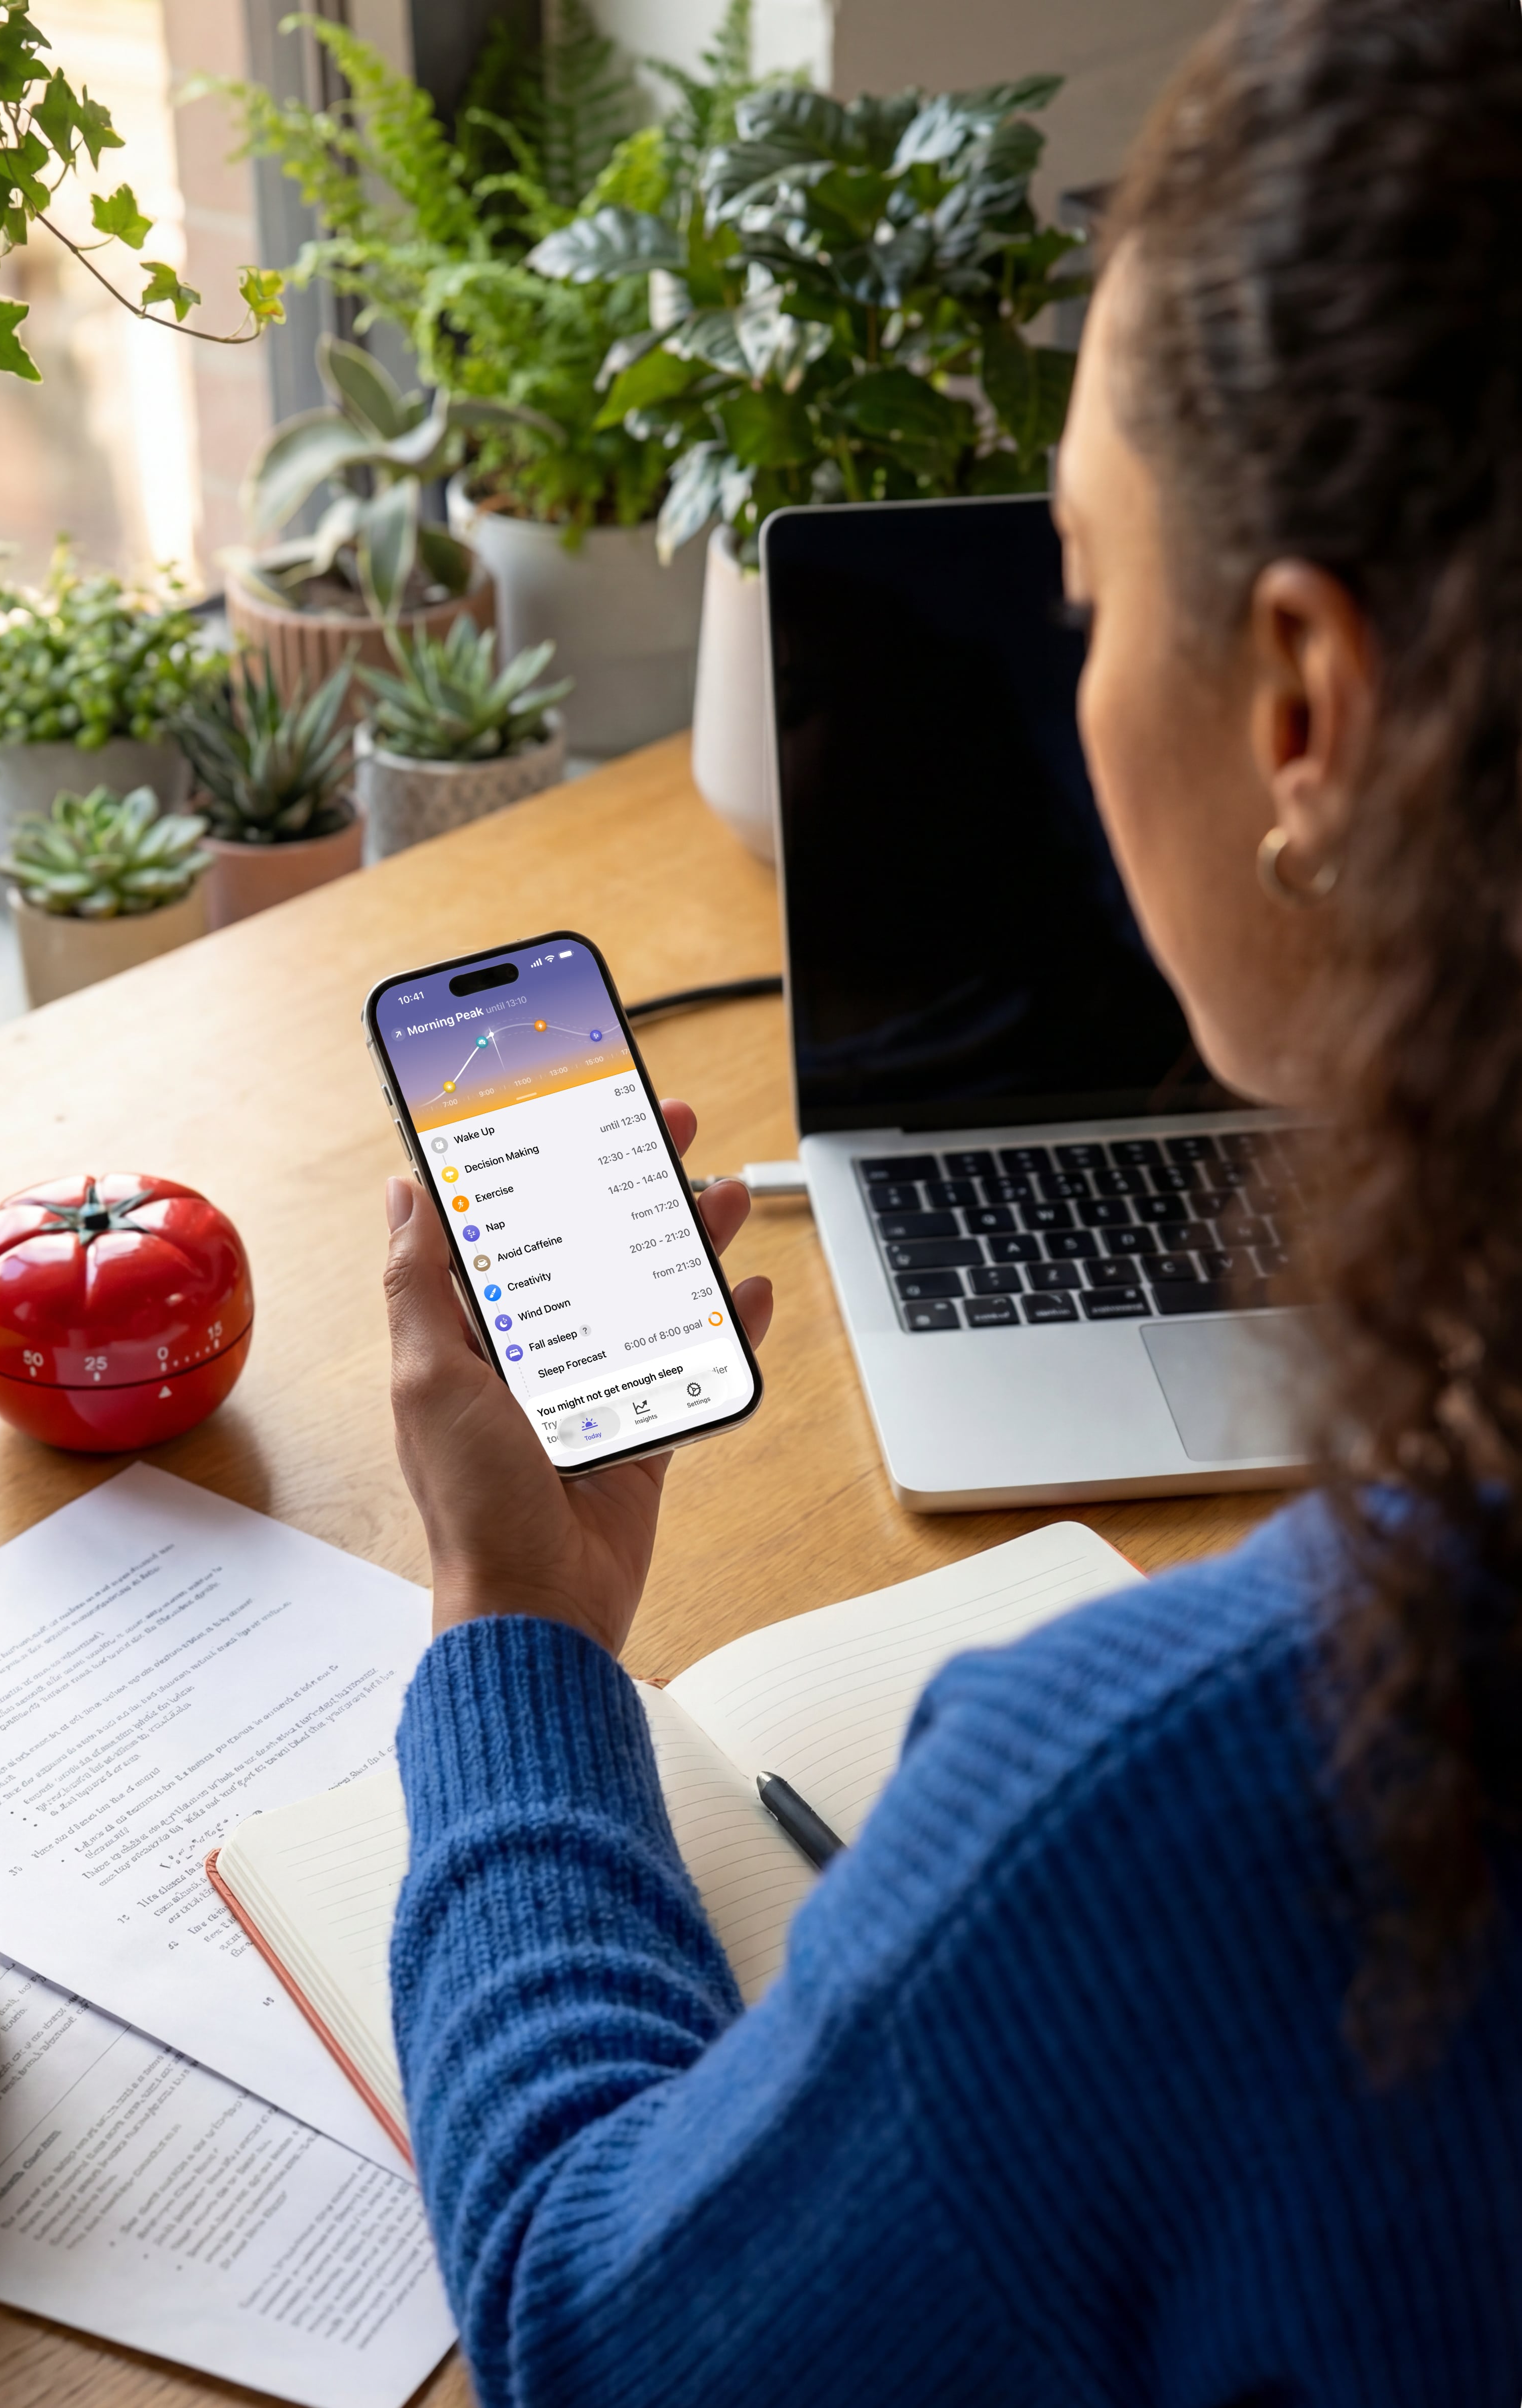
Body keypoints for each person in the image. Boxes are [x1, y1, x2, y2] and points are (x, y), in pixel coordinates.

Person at [378, 0, 1522, 2397]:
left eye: (1087, 592)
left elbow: (600, 2334)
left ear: (1299, 702)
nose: (1072, 666)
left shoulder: (1187, 1814)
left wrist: (522, 1637)